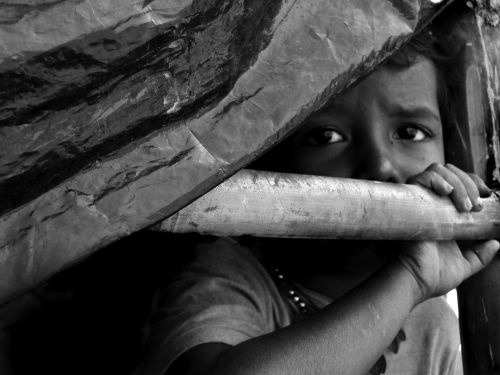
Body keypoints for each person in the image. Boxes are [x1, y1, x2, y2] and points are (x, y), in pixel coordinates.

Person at [136, 28, 499, 375]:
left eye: (410, 132)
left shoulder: (432, 323)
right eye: (326, 136)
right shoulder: (229, 277)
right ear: (270, 160)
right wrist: (409, 280)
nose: (380, 165)